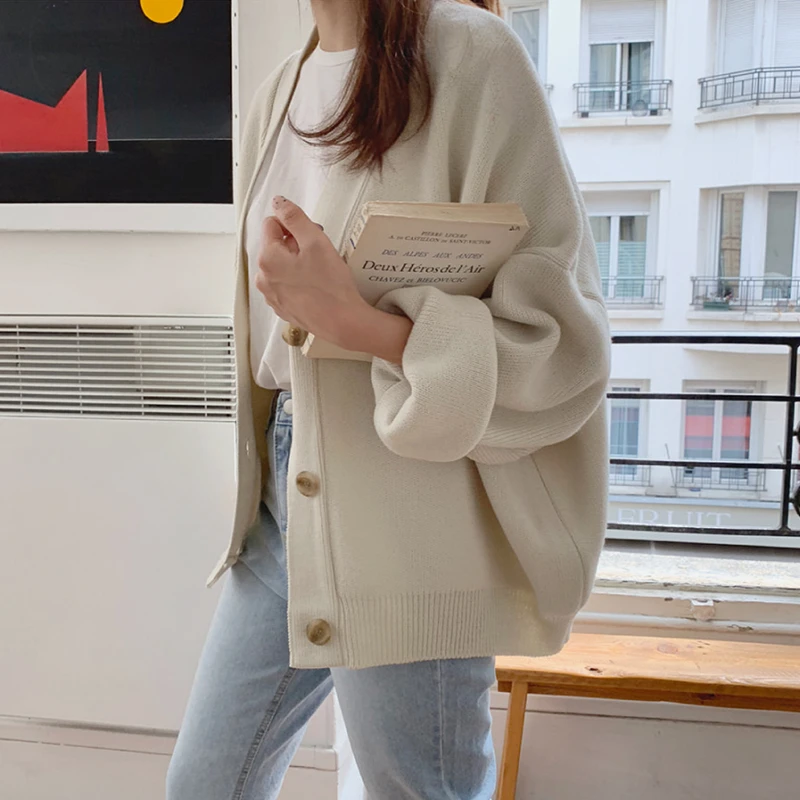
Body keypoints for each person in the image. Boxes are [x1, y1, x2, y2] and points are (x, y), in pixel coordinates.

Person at [167, 0, 611, 798]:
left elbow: (565, 346)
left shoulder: (470, 57)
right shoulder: (277, 92)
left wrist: (362, 326)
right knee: (203, 786)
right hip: (283, 504)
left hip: (414, 518)